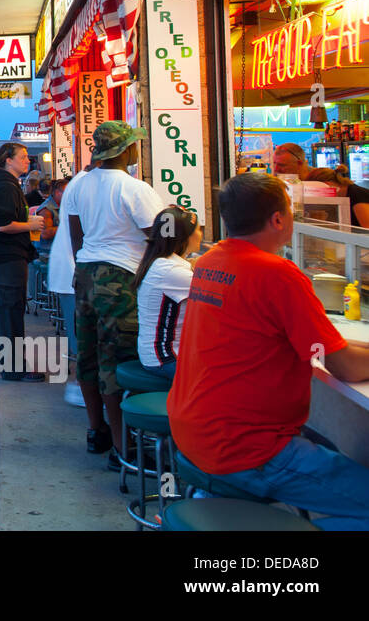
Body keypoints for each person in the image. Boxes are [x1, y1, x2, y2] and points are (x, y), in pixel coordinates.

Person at [168, 172, 369, 529]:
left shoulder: (211, 262)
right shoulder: (279, 274)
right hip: (249, 448)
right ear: (278, 219)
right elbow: (345, 367)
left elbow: (316, 343)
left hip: (196, 431)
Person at [70, 120, 164, 467]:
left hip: (86, 274)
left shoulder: (80, 185)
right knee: (117, 358)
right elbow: (160, 237)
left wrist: (86, 268)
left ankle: (97, 432)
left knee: (88, 354)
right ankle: (124, 449)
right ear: (126, 150)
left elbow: (76, 236)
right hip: (120, 279)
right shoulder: (135, 188)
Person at [0, 143, 45, 380]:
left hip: (1, 255)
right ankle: (14, 367)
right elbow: (3, 224)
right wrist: (31, 225)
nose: (28, 161)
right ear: (9, 160)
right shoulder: (5, 187)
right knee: (9, 310)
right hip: (5, 255)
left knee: (0, 311)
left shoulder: (4, 184)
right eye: (23, 157)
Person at [133, 206, 200, 382]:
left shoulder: (160, 263)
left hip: (153, 355)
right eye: (198, 229)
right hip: (167, 359)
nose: (200, 234)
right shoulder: (171, 271)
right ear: (185, 237)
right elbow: (219, 294)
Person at [48, 165, 90, 408]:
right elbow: (79, 234)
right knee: (78, 335)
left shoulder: (82, 183)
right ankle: (77, 385)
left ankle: (80, 384)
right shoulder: (85, 185)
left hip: (71, 270)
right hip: (72, 271)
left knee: (79, 334)